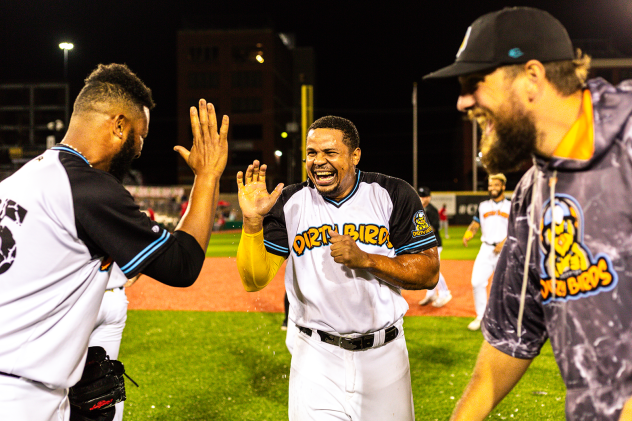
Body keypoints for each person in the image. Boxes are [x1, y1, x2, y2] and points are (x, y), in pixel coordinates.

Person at [424, 6, 632, 420]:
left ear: (532, 77)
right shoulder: (532, 194)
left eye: (474, 82)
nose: (464, 101)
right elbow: (507, 342)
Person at [0, 63, 228, 420]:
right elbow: (182, 265)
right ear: (119, 126)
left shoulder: (18, 181)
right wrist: (208, 176)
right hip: (24, 397)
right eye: (141, 136)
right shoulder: (88, 187)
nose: (138, 149)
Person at [236, 115, 440, 420]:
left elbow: (429, 272)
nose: (319, 161)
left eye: (330, 153)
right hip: (315, 357)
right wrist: (252, 222)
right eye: (312, 153)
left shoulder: (392, 193)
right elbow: (254, 280)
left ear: (355, 155)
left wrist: (367, 260)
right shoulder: (289, 201)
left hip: (385, 358)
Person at [88, 265, 138, 421]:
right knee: (108, 381)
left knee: (57, 379)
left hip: (78, 298)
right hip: (114, 297)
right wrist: (136, 272)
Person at [461, 174, 510, 331]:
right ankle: (481, 316)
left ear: (503, 186)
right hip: (486, 247)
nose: (492, 188)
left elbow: (518, 227)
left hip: (506, 249)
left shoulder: (511, 205)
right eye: (490, 185)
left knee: (505, 286)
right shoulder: (483, 206)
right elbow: (475, 224)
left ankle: (504, 318)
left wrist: (504, 242)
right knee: (477, 282)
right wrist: (469, 234)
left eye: (496, 185)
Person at [418, 186, 452, 307]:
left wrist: (421, 230)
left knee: (433, 271)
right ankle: (431, 294)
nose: (422, 198)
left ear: (429, 197)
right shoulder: (417, 208)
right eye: (420, 196)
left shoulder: (432, 210)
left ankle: (445, 293)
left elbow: (435, 227)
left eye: (425, 196)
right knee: (428, 271)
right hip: (425, 245)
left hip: (435, 245)